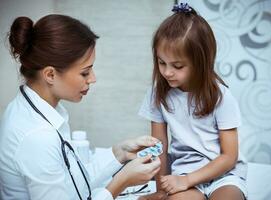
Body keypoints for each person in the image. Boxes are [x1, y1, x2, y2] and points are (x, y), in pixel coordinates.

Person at [0, 14, 161, 200]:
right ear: (50, 75)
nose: (93, 79)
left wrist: (121, 153)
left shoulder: (36, 109)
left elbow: (74, 183)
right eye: (85, 73)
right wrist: (121, 182)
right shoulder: (37, 136)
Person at [138, 3, 247, 200]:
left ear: (201, 62)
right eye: (161, 62)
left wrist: (188, 180)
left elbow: (229, 157)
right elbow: (159, 145)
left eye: (177, 66)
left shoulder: (221, 97)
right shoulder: (157, 94)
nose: (167, 72)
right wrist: (161, 189)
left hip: (223, 175)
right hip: (182, 173)